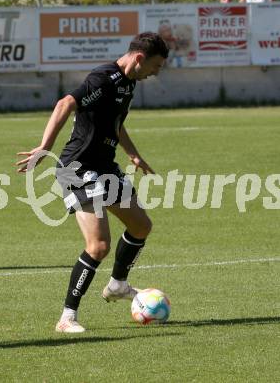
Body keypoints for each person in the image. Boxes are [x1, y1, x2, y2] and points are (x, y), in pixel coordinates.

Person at [16, 32, 169, 333]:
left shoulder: (129, 83)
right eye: (156, 65)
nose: (156, 73)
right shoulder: (103, 79)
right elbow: (65, 103)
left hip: (104, 166)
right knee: (98, 246)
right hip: (77, 168)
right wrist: (44, 146)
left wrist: (133, 155)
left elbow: (115, 122)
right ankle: (67, 317)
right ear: (140, 58)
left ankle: (117, 285)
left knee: (141, 226)